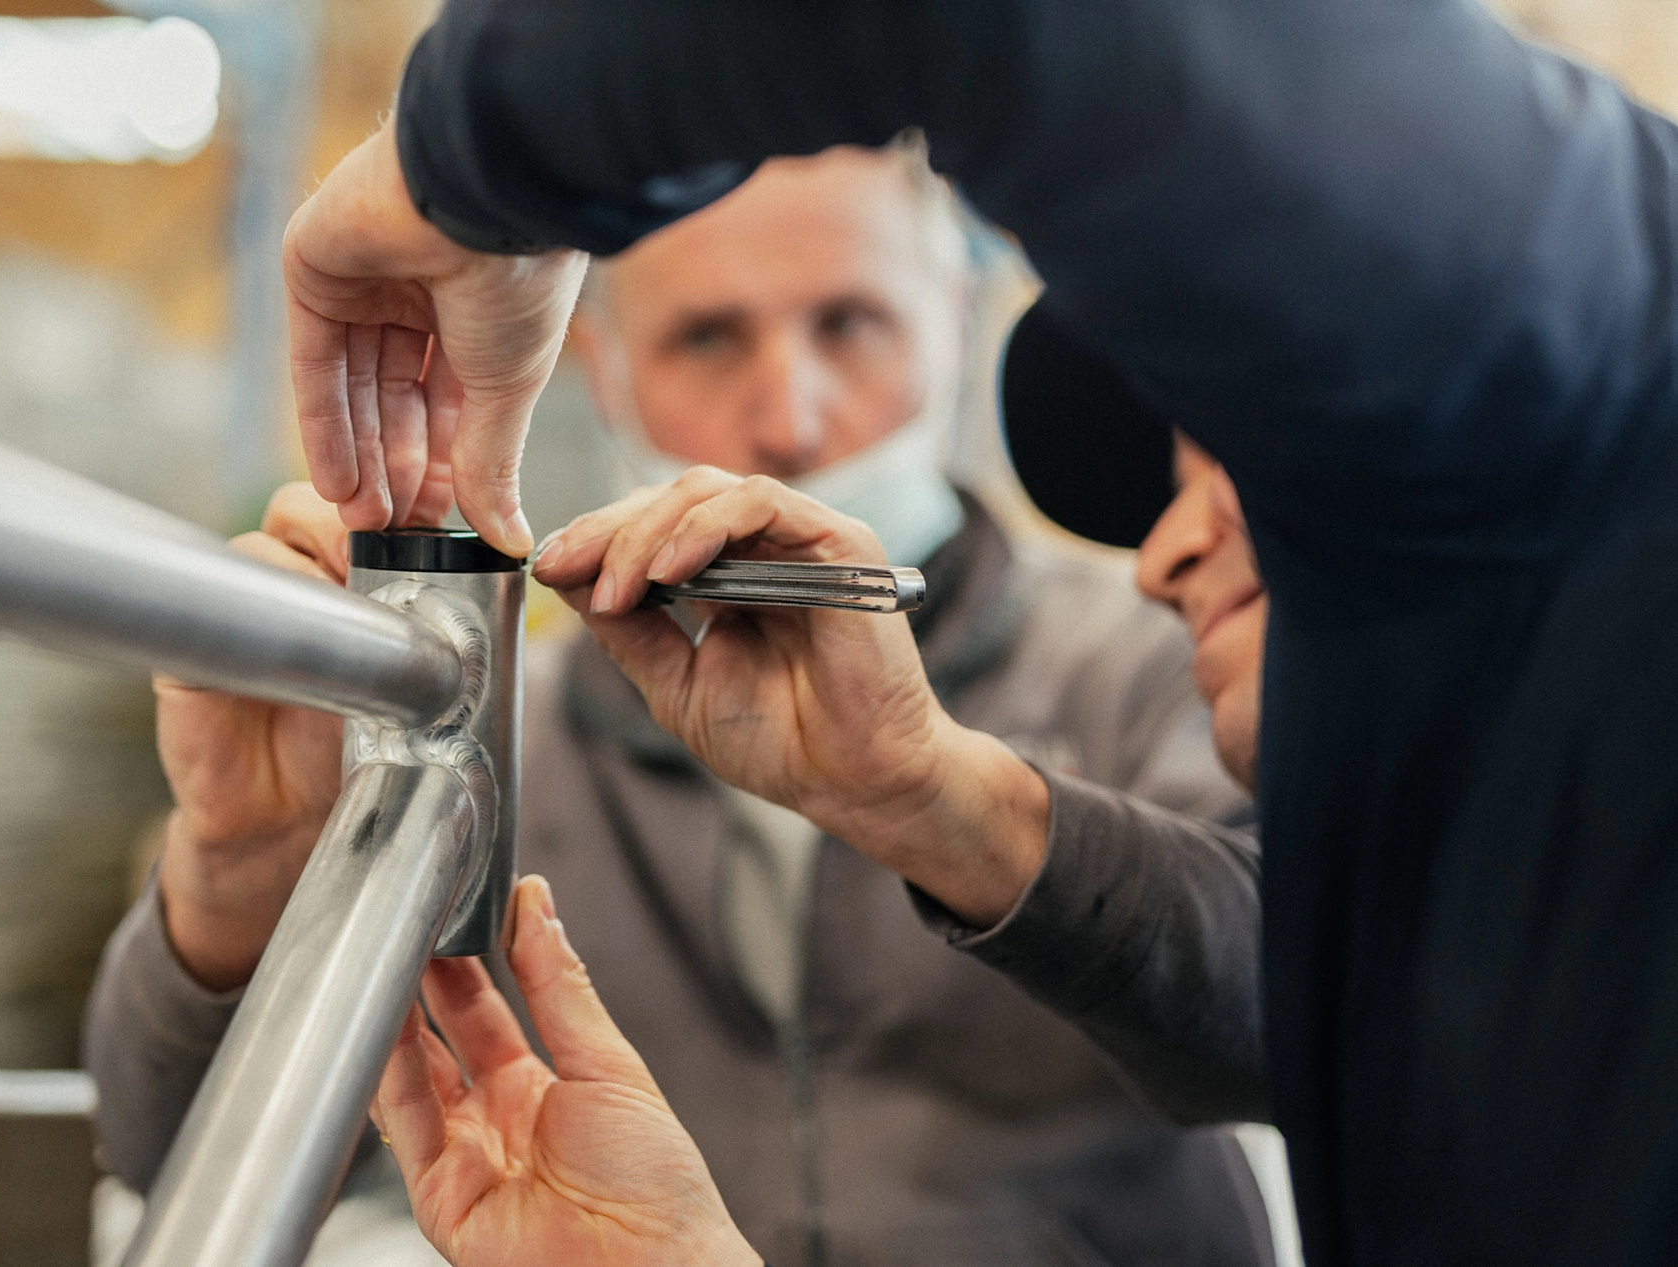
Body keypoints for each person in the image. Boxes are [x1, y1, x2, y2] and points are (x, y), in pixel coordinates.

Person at [277, 3, 1678, 1263]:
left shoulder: (1602, 306)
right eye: (710, 336)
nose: (1163, 558)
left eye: (1244, 443)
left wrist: (465, 173)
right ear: (612, 361)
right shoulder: (1522, 954)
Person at [86, 149, 1277, 1266]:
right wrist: (245, 876)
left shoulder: (1172, 651)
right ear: (597, 367)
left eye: (850, 324)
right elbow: (177, 1158)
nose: (791, 419)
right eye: (707, 337)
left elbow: (1311, 1014)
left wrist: (936, 795)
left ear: (955, 319)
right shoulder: (503, 735)